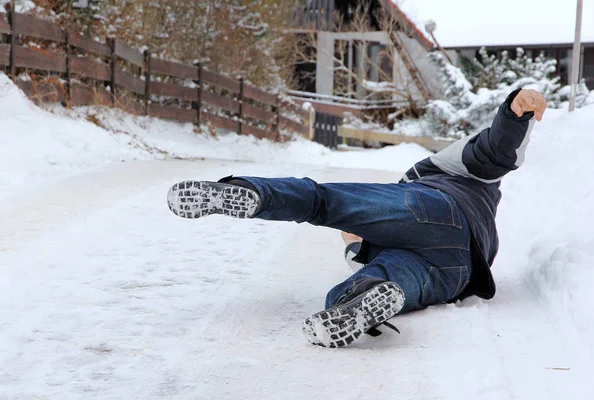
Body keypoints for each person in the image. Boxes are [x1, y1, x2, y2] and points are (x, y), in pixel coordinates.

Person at [167, 88, 547, 348]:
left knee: (322, 202)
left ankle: (252, 192)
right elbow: (361, 248)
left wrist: (516, 111)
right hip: (457, 269)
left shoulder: (441, 168)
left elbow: (492, 152)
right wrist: (354, 244)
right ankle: (356, 305)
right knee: (381, 277)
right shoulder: (434, 198)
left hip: (437, 211)